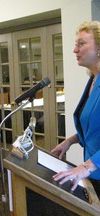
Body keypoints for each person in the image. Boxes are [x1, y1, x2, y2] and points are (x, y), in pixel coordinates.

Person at [51, 21, 100, 195]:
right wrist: (71, 140)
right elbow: (94, 126)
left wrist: (87, 167)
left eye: (82, 44)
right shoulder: (93, 80)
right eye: (75, 44)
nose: (75, 50)